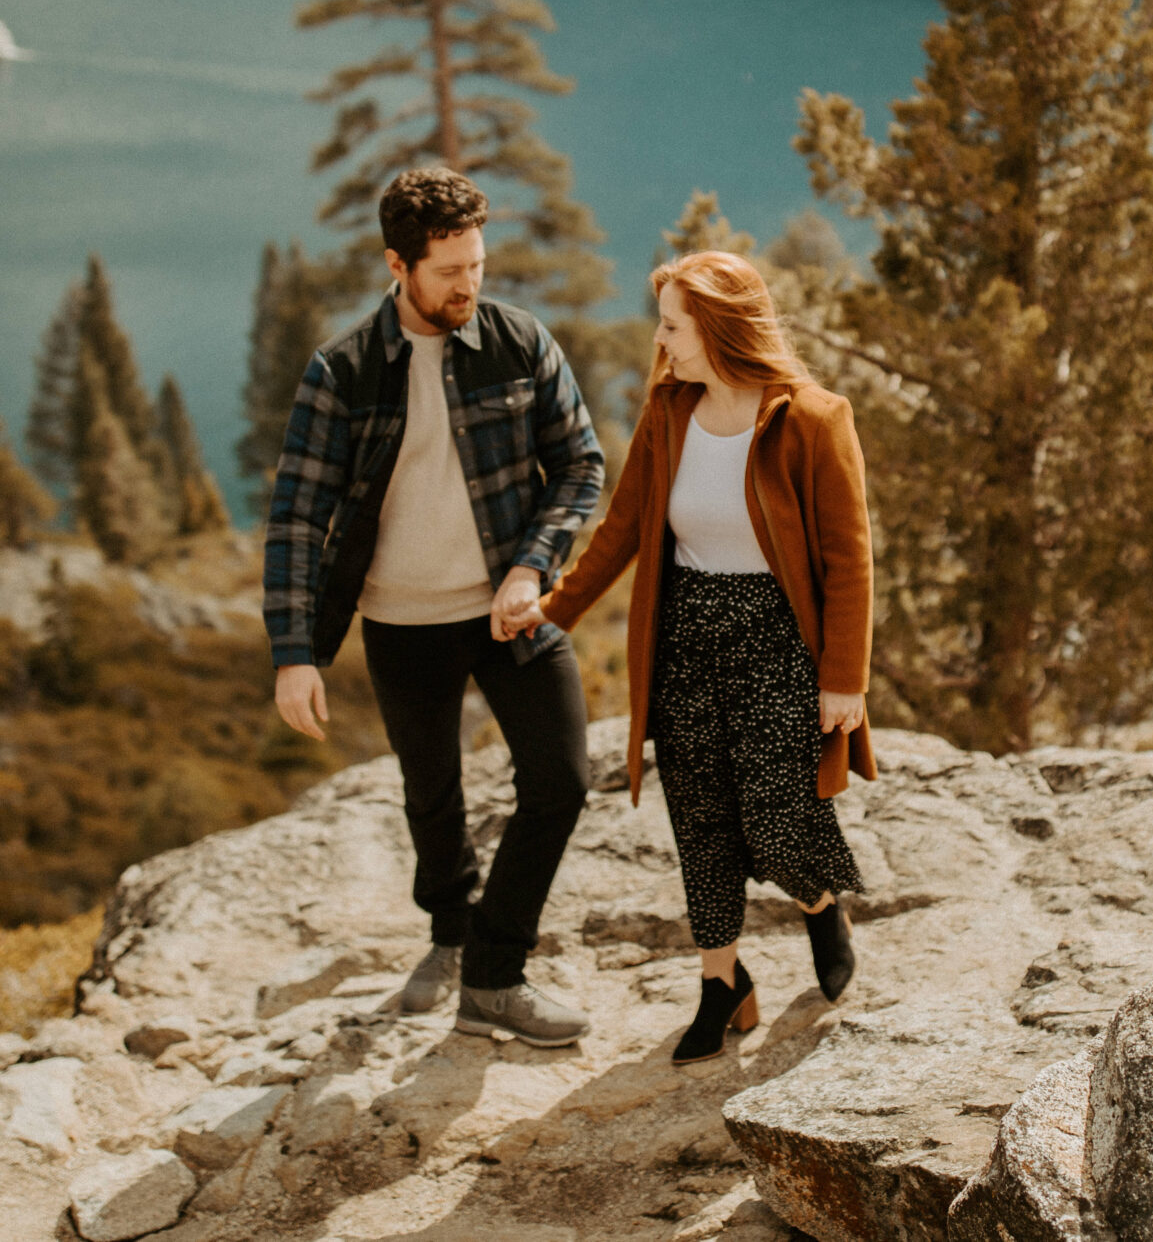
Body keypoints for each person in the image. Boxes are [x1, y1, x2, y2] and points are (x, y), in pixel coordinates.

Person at [265, 167, 604, 1048]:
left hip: (507, 607)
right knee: (433, 795)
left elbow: (580, 466)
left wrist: (533, 566)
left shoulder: (520, 342)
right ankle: (452, 936)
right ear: (397, 263)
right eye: (450, 270)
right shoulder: (342, 372)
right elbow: (298, 516)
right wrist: (293, 651)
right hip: (402, 620)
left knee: (562, 780)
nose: (470, 285)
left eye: (478, 264)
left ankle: (494, 970)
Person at [514, 250, 879, 1064]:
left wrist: (844, 678)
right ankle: (722, 983)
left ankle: (820, 903)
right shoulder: (669, 412)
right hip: (686, 640)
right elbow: (621, 529)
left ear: (716, 327)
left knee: (779, 821)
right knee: (702, 822)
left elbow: (850, 559)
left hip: (779, 644)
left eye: (673, 324)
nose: (661, 340)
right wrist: (552, 611)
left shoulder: (813, 418)